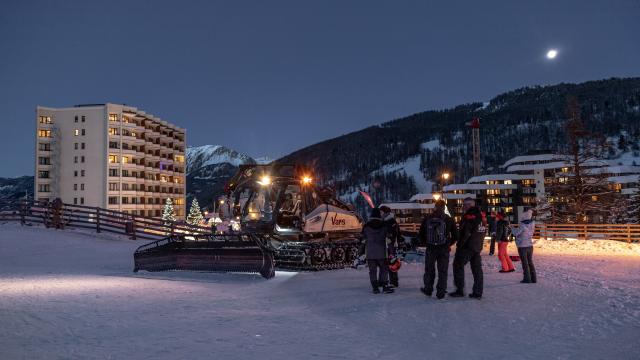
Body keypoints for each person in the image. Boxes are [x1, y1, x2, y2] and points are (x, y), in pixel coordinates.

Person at [419, 200, 457, 299]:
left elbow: (421, 234)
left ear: (435, 207)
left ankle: (428, 289)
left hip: (431, 248)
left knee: (429, 270)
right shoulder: (449, 219)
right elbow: (456, 236)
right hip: (444, 248)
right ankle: (440, 292)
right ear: (444, 208)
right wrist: (449, 243)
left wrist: (427, 243)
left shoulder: (427, 218)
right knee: (443, 271)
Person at [450, 198, 485, 299]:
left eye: (465, 205)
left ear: (470, 205)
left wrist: (459, 245)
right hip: (477, 246)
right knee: (477, 269)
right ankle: (478, 292)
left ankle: (459, 290)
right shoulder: (481, 216)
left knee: (458, 265)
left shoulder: (469, 216)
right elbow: (483, 231)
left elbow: (465, 232)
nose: (463, 207)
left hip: (467, 246)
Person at [362, 207, 394, 294]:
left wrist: (361, 253)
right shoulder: (384, 225)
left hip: (370, 253)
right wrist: (392, 253)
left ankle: (375, 288)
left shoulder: (366, 226)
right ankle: (384, 286)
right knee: (384, 269)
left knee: (372, 271)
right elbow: (389, 241)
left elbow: (362, 240)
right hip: (382, 253)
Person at [512, 209, 537, 283]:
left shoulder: (522, 225)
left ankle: (527, 279)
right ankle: (533, 278)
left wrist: (512, 228)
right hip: (530, 245)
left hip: (522, 246)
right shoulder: (533, 223)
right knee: (530, 262)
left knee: (525, 263)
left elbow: (516, 233)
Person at [379, 205, 401, 288]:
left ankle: (393, 281)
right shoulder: (387, 221)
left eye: (381, 212)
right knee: (387, 263)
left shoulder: (390, 221)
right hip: (388, 245)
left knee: (391, 263)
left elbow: (395, 234)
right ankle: (386, 281)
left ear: (385, 213)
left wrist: (390, 239)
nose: (380, 214)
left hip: (390, 245)